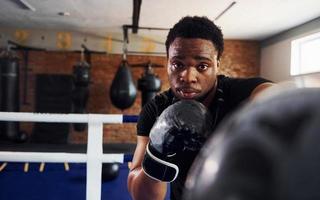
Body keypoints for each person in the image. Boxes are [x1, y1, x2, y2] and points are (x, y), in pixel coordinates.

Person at [127, 16, 274, 200]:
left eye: (202, 66)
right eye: (177, 64)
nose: (188, 77)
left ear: (217, 64)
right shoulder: (156, 109)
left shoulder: (239, 95)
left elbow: (279, 96)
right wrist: (158, 152)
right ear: (167, 63)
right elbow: (142, 196)